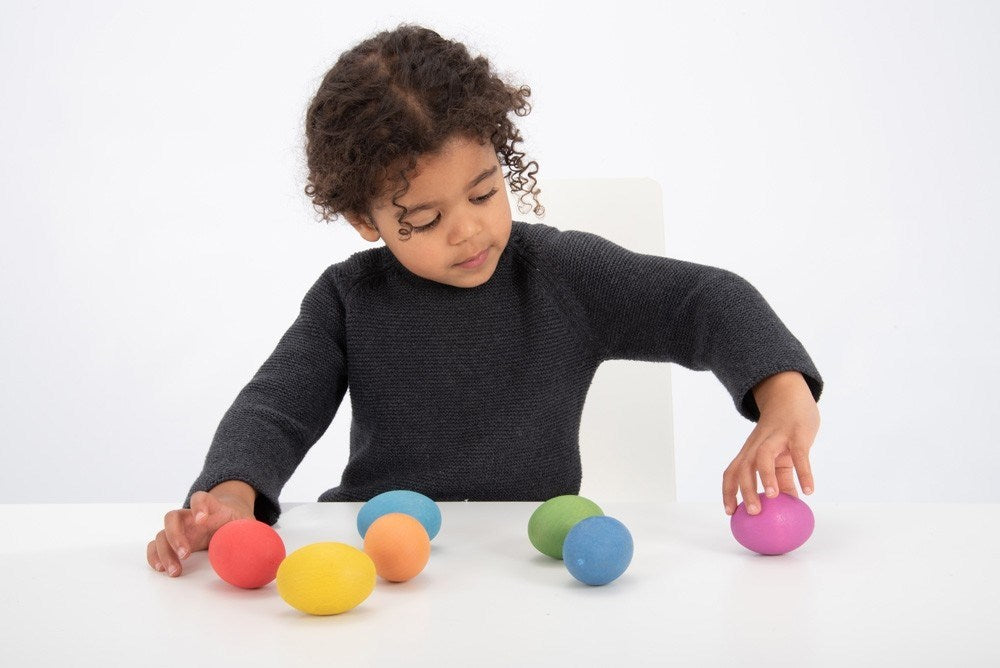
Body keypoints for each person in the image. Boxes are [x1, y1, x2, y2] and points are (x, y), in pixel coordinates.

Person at [147, 24, 822, 577]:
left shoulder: (560, 273)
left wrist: (783, 394)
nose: (468, 230)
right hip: (384, 563)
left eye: (481, 193)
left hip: (534, 564)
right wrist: (230, 495)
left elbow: (704, 301)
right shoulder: (348, 299)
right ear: (364, 218)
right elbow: (276, 408)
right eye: (425, 218)